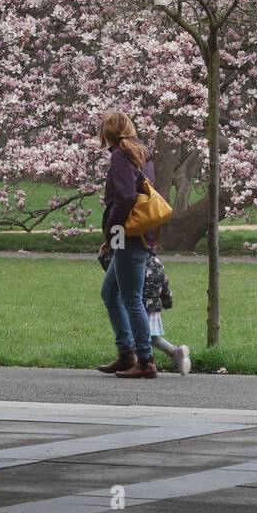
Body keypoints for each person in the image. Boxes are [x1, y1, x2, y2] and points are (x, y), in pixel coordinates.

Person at [95, 110, 159, 379]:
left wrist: (112, 232)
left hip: (129, 234)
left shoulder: (121, 155)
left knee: (131, 298)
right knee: (111, 293)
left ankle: (145, 360)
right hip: (141, 232)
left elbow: (125, 196)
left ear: (106, 134)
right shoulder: (142, 152)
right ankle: (126, 353)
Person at [142, 251, 191, 374]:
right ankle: (175, 353)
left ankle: (173, 352)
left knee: (141, 336)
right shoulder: (157, 262)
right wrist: (167, 302)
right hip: (153, 307)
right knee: (149, 337)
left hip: (140, 306)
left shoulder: (136, 260)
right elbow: (164, 284)